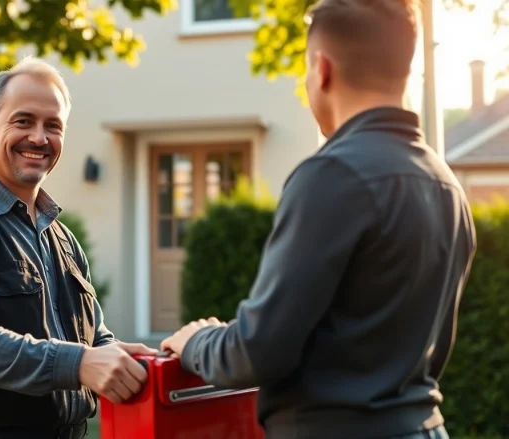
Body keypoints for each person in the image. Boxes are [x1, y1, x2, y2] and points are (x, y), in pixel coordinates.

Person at [161, 1, 477, 438]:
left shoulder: (332, 175)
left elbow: (258, 353)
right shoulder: (446, 185)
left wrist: (196, 342)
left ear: (321, 68)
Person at [0, 57, 156, 439]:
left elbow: (91, 339)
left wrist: (125, 356)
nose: (39, 138)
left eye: (53, 126)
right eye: (23, 121)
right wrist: (81, 363)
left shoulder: (62, 238)